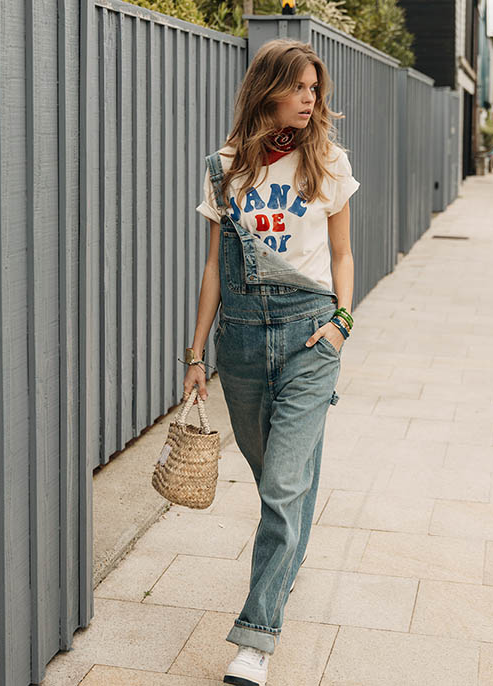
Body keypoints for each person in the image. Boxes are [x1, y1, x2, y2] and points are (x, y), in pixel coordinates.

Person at [184, 37, 360, 686]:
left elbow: (342, 256)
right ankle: (286, 560)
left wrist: (343, 323)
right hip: (241, 341)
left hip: (309, 335)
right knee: (277, 483)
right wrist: (196, 353)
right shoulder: (224, 168)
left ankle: (255, 641)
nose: (312, 100)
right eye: (301, 87)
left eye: (317, 89)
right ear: (269, 88)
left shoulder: (329, 164)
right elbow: (212, 269)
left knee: (283, 491)